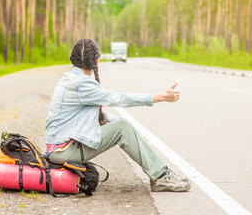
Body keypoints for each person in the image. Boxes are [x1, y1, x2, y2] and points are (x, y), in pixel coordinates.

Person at [45, 39, 190, 192]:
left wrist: (123, 126)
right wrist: (160, 97)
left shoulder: (68, 79)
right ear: (97, 61)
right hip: (64, 151)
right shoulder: (82, 84)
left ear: (72, 59)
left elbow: (98, 117)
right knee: (122, 128)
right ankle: (160, 176)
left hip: (57, 150)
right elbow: (120, 98)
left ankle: (160, 172)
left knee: (122, 126)